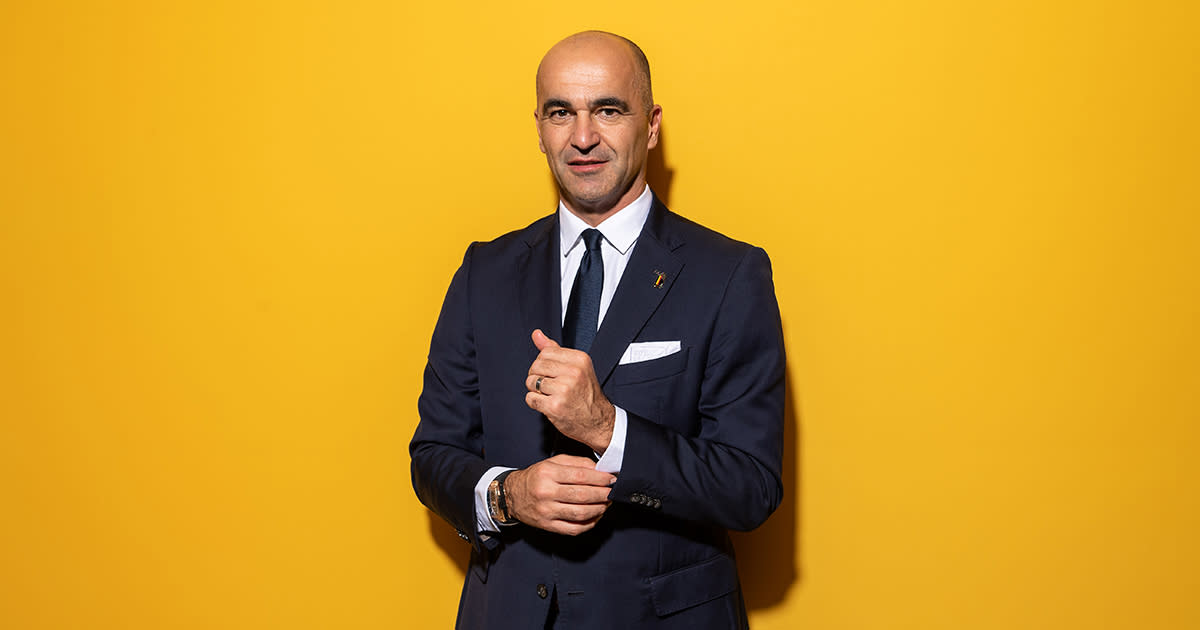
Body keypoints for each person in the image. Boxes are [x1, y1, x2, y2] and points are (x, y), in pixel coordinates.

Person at [410, 30, 786, 630]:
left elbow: (751, 486)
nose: (583, 137)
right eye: (561, 113)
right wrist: (509, 496)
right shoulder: (485, 271)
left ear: (652, 124)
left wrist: (609, 429)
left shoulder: (730, 274)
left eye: (608, 110)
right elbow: (433, 454)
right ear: (539, 127)